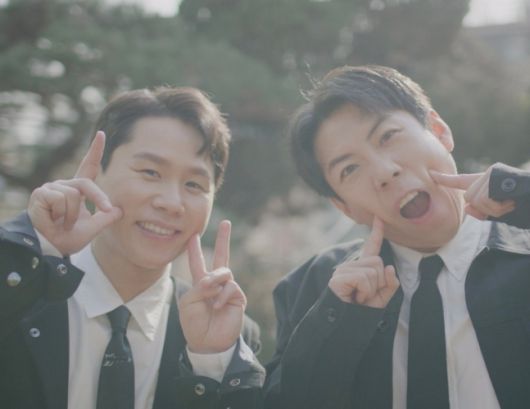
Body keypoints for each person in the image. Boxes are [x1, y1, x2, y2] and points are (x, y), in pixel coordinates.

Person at [265, 65, 530, 409]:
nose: (384, 172)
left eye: (387, 136)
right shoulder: (313, 288)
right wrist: (339, 321)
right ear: (344, 207)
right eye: (350, 169)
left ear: (439, 131)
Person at [0, 86, 265, 409]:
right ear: (95, 172)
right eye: (150, 172)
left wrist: (210, 367)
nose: (172, 203)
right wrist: (30, 248)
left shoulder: (226, 337)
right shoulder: (18, 286)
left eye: (194, 184)